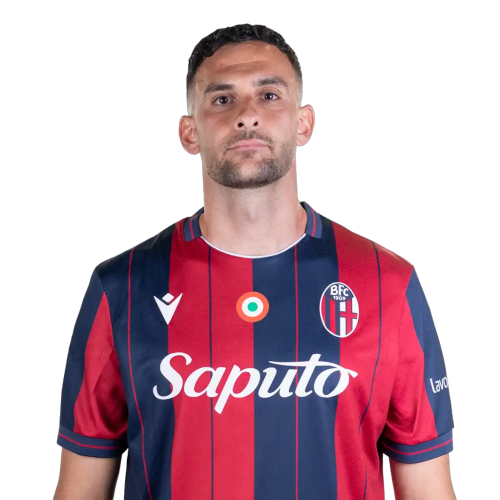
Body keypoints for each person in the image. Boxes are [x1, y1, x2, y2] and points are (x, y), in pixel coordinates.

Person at [54, 23, 455, 500]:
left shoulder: (387, 282)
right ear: (189, 133)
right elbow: (80, 489)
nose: (247, 115)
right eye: (222, 99)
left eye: (269, 95)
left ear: (303, 123)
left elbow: (428, 488)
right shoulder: (121, 286)